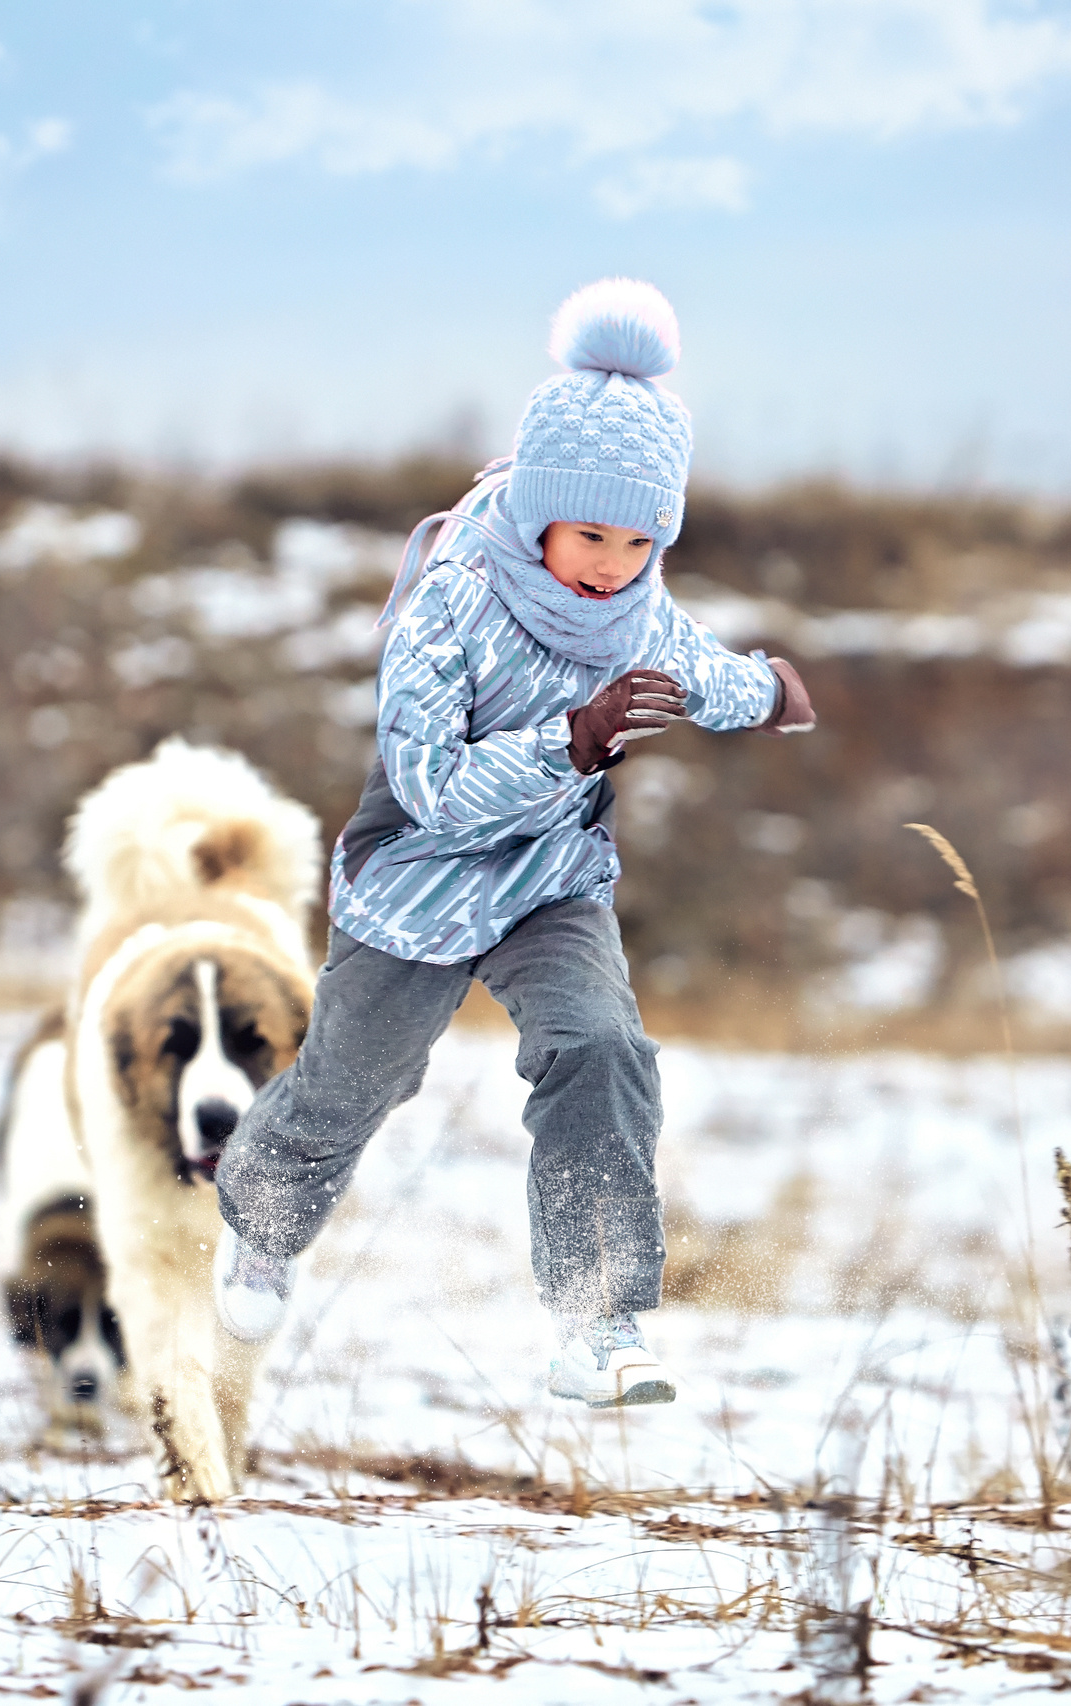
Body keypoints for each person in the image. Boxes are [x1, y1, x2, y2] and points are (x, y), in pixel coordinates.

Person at [211, 278, 817, 1409]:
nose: (611, 562)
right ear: (539, 510)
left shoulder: (634, 605)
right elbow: (433, 787)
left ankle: (598, 1317)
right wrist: (571, 741)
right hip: (417, 876)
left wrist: (767, 693)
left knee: (601, 1047)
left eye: (639, 539)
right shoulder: (450, 603)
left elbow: (690, 664)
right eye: (590, 533)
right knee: (356, 1081)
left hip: (550, 879)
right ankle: (261, 1225)